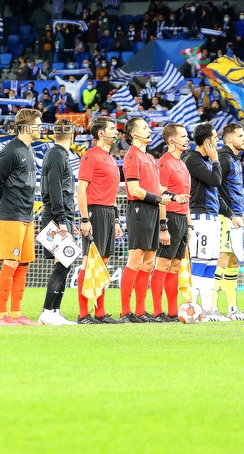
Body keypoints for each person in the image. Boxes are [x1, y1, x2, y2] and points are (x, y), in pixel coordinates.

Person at [0, 107, 42, 326]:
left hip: (27, 215)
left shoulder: (28, 150)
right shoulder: (11, 151)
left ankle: (16, 313)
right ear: (27, 127)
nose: (41, 128)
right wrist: (6, 206)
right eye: (38, 125)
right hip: (12, 214)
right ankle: (2, 316)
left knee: (23, 264)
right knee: (11, 263)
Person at [119, 117, 169, 323]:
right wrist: (159, 198)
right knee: (136, 260)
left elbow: (157, 189)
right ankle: (125, 312)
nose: (150, 130)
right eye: (145, 127)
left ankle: (140, 311)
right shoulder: (132, 157)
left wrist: (170, 197)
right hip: (139, 209)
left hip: (153, 210)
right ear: (133, 135)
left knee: (148, 262)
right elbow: (134, 190)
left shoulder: (149, 158)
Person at [75, 116, 121, 324]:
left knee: (102, 263)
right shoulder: (90, 156)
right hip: (94, 212)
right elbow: (81, 189)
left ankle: (100, 312)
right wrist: (85, 219)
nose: (116, 131)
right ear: (101, 133)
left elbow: (112, 192)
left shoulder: (110, 157)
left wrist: (117, 219)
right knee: (89, 260)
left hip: (109, 213)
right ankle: (84, 314)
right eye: (112, 128)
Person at [182, 122, 226, 319]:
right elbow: (216, 181)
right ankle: (193, 308)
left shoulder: (205, 160)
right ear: (207, 141)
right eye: (216, 138)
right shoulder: (192, 159)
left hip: (212, 217)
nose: (217, 142)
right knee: (199, 262)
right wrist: (216, 161)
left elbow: (215, 190)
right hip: (199, 217)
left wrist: (230, 213)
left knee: (210, 264)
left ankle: (208, 309)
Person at [38, 118, 79, 326]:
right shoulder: (57, 155)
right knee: (63, 262)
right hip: (55, 217)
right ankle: (47, 311)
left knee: (65, 263)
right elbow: (55, 189)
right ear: (72, 135)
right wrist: (62, 220)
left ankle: (54, 311)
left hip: (60, 216)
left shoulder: (58, 154)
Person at [211, 123, 244, 320]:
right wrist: (227, 213)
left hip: (236, 216)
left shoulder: (235, 159)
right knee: (223, 257)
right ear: (228, 139)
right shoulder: (224, 158)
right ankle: (212, 308)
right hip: (225, 216)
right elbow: (214, 188)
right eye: (240, 136)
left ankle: (232, 309)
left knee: (233, 260)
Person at [155, 123, 191, 322]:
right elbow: (161, 195)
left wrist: (189, 224)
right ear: (171, 140)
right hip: (169, 217)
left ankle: (171, 312)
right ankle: (158, 312)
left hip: (182, 220)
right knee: (162, 264)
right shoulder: (165, 163)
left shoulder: (182, 163)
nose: (187, 139)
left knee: (176, 266)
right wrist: (163, 226)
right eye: (183, 136)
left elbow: (186, 197)